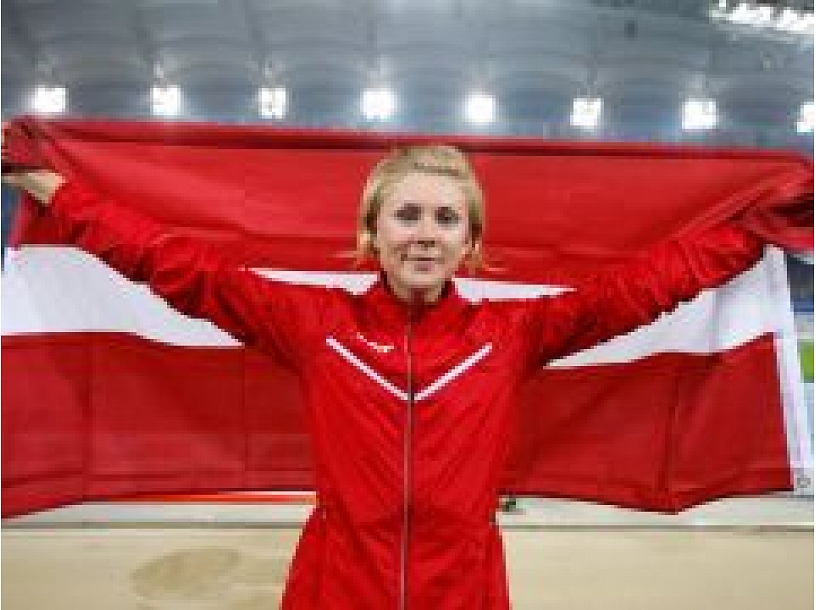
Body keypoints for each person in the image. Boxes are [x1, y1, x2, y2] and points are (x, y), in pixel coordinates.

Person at [2, 142, 767, 609]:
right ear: (371, 233)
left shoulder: (512, 335)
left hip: (464, 592)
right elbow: (175, 266)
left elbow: (640, 289)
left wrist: (752, 232)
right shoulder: (314, 325)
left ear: (470, 244)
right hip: (335, 589)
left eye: (446, 219)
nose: (425, 236)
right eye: (407, 216)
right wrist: (46, 185)